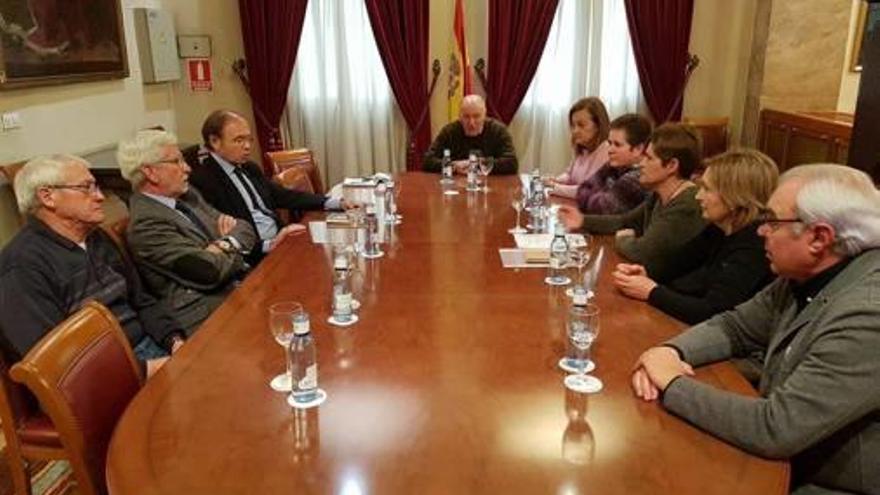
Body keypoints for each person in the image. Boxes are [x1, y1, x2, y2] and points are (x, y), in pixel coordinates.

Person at [632, 164, 880, 495]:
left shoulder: (867, 312)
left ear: (820, 238)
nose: (761, 231)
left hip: (830, 483)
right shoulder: (806, 274)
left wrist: (672, 382)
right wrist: (670, 350)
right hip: (790, 459)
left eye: (773, 222)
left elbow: (776, 428)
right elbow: (735, 325)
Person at [0, 155, 183, 376]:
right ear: (48, 197)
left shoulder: (97, 238)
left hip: (150, 347)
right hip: (101, 379)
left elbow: (142, 301)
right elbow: (54, 362)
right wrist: (142, 370)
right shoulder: (21, 266)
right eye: (86, 187)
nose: (99, 197)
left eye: (96, 186)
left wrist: (173, 340)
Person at [612, 149, 777, 324]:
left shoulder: (754, 246)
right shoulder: (719, 228)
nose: (698, 196)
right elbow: (679, 262)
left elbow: (713, 311)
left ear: (734, 198)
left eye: (707, 189)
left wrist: (652, 292)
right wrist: (646, 272)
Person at [118, 130, 257, 332]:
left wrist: (223, 244)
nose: (188, 168)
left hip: (241, 286)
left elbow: (244, 227)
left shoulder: (187, 195)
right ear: (150, 172)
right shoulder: (146, 226)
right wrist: (230, 243)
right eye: (177, 162)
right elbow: (209, 271)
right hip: (211, 314)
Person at [187, 110, 342, 262]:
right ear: (215, 141)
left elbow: (283, 196)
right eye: (239, 140)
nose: (247, 146)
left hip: (282, 240)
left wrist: (333, 202)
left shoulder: (249, 168)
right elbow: (225, 236)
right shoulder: (203, 181)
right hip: (255, 255)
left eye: (249, 139)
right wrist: (270, 245)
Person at [558, 123, 706, 282]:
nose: (641, 163)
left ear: (671, 166)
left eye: (649, 158)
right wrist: (582, 220)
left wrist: (623, 239)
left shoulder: (686, 204)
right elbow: (624, 221)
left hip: (674, 295)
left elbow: (642, 252)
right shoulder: (658, 195)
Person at [575, 113, 651, 214]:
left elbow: (601, 209)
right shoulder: (612, 166)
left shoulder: (638, 177)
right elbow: (581, 191)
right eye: (610, 143)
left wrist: (596, 194)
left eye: (617, 145)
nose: (610, 150)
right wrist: (600, 195)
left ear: (638, 149)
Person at [422, 94, 518, 175]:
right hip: (455, 189)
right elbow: (427, 161)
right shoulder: (449, 131)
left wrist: (476, 164)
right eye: (466, 117)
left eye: (476, 116)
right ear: (460, 116)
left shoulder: (498, 131)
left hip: (490, 188)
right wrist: (454, 166)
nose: (471, 123)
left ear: (484, 115)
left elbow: (511, 163)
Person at [549, 97, 610, 199]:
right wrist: (555, 180)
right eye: (573, 125)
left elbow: (587, 191)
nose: (575, 131)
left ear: (598, 126)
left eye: (581, 125)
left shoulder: (606, 150)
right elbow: (569, 175)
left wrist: (553, 188)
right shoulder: (582, 147)